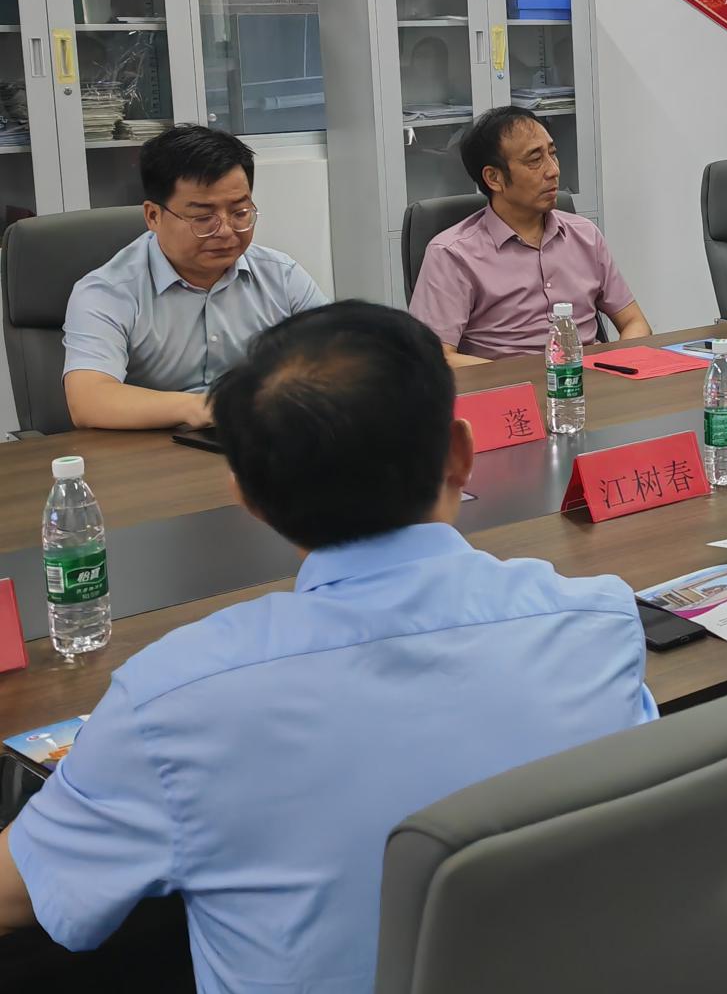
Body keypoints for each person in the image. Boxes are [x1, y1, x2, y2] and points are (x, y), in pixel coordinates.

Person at [0, 302, 655, 989]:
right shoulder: (598, 623)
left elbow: (19, 893)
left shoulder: (171, 699)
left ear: (246, 494)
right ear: (461, 455)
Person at [63, 125, 326, 431]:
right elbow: (88, 399)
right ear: (153, 216)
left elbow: (341, 360)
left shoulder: (281, 275)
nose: (225, 231)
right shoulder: (108, 292)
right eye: (203, 217)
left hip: (258, 441)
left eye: (240, 212)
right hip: (151, 451)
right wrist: (202, 407)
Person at [410, 107, 650, 364]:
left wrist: (614, 366)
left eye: (552, 154)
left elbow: (635, 323)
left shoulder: (585, 235)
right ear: (494, 178)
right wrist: (527, 379)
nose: (553, 170)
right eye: (535, 160)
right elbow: (434, 358)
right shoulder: (452, 254)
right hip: (505, 387)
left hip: (585, 381)